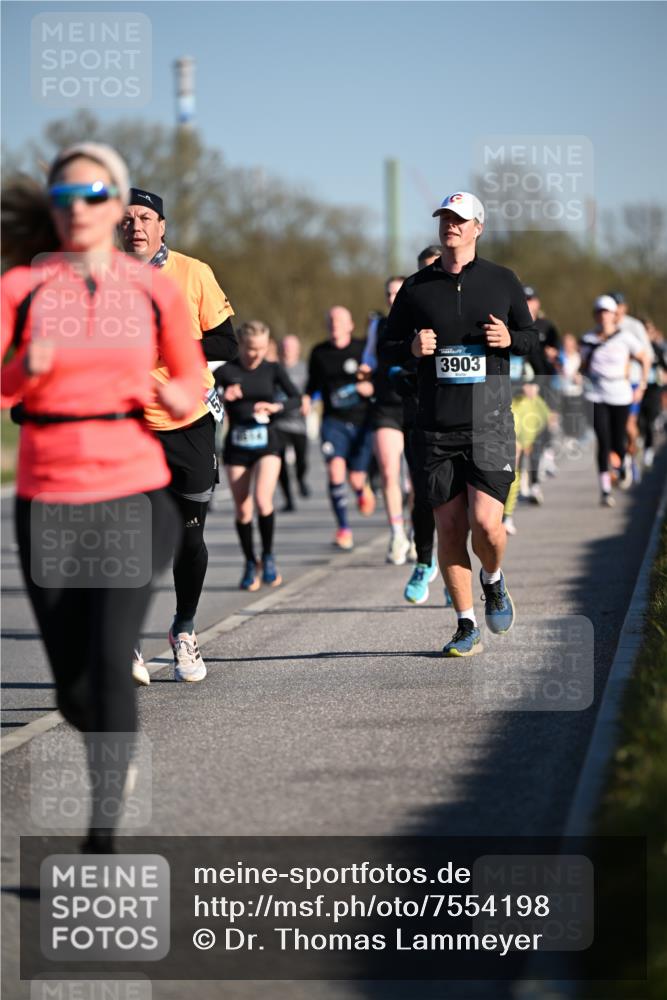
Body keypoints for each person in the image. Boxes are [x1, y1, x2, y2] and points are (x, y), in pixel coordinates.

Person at [1, 143, 204, 851]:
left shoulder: (152, 290)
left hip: (133, 493)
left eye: (94, 197)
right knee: (73, 691)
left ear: (117, 208)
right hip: (47, 498)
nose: (80, 210)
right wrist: (22, 367)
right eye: (66, 199)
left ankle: (104, 830)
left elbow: (189, 382)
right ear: (53, 210)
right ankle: (108, 744)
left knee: (114, 655)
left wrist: (163, 391)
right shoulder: (21, 290)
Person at [381, 191, 539, 657]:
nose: (450, 225)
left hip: (489, 420)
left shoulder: (502, 280)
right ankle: (465, 624)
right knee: (450, 527)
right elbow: (386, 347)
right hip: (436, 426)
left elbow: (533, 339)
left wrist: (510, 338)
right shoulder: (415, 288)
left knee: (487, 524)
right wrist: (410, 348)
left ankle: (493, 579)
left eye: (459, 219)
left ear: (477, 228)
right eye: (445, 218)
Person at [119, 188, 238, 685]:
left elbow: (226, 341)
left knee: (188, 539)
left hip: (189, 422)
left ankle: (183, 630)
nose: (136, 227)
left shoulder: (194, 272)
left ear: (162, 225)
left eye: (145, 217)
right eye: (126, 220)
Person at [215, 321, 300, 590]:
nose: (256, 354)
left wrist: (276, 407)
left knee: (264, 501)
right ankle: (250, 562)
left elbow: (296, 398)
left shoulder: (273, 369)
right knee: (243, 508)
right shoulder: (227, 370)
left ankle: (268, 556)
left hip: (267, 443)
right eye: (251, 349)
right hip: (238, 445)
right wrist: (223, 395)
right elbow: (203, 399)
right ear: (240, 345)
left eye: (261, 349)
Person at [304, 307, 375, 550]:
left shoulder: (363, 349)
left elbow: (377, 377)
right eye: (331, 320)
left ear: (350, 325)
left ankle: (361, 489)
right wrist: (306, 399)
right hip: (333, 421)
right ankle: (343, 528)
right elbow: (311, 384)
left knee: (355, 477)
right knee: (335, 471)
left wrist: (370, 387)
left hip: (362, 420)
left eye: (339, 320)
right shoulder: (319, 352)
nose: (334, 324)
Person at [581, 295, 650, 506]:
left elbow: (644, 357)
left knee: (618, 438)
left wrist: (643, 384)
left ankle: (624, 461)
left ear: (614, 315)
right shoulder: (588, 339)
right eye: (600, 312)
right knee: (603, 440)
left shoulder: (625, 337)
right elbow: (583, 365)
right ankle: (604, 488)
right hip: (596, 393)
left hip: (620, 392)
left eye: (607, 312)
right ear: (595, 315)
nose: (603, 316)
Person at [366, 276, 412, 565]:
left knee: (417, 479)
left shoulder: (421, 319)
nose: (393, 298)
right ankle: (397, 533)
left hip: (416, 404)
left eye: (399, 293)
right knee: (387, 469)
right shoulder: (379, 325)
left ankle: (418, 531)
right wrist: (363, 372)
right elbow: (369, 358)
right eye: (389, 293)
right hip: (386, 406)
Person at [606, 291, 652, 480]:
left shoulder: (634, 326)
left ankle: (632, 456)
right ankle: (619, 462)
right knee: (611, 426)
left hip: (631, 380)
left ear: (624, 307)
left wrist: (642, 383)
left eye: (619, 306)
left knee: (629, 424)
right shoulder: (605, 325)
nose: (616, 310)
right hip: (611, 383)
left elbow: (647, 355)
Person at [275, 334, 310, 511]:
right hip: (278, 422)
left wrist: (308, 399)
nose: (286, 351)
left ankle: (301, 478)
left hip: (299, 423)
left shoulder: (304, 369)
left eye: (290, 347)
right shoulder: (273, 369)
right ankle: (288, 498)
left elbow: (313, 389)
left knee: (301, 459)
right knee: (279, 461)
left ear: (297, 350)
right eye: (284, 347)